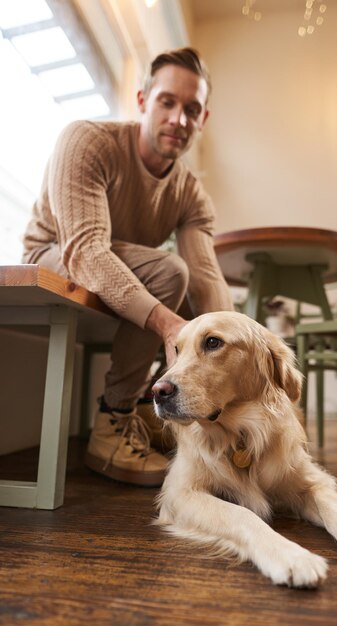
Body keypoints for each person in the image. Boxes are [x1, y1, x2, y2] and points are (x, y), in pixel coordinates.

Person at [22, 47, 233, 488]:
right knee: (169, 273)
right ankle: (112, 424)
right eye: (167, 102)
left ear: (204, 119)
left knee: (183, 278)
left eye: (191, 109)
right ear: (142, 100)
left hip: (122, 274)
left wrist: (234, 348)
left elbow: (208, 280)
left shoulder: (191, 193)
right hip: (53, 253)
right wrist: (166, 325)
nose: (179, 119)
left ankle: (143, 410)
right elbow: (85, 249)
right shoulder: (87, 140)